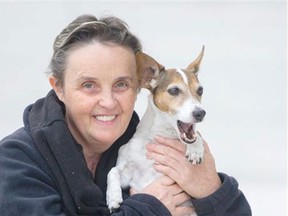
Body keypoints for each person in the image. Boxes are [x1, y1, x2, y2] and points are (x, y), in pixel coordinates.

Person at [0, 14, 251, 216]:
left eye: (121, 84)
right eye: (89, 85)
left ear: (141, 84)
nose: (108, 102)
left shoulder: (150, 149)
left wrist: (211, 190)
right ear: (59, 88)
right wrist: (148, 207)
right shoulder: (15, 161)